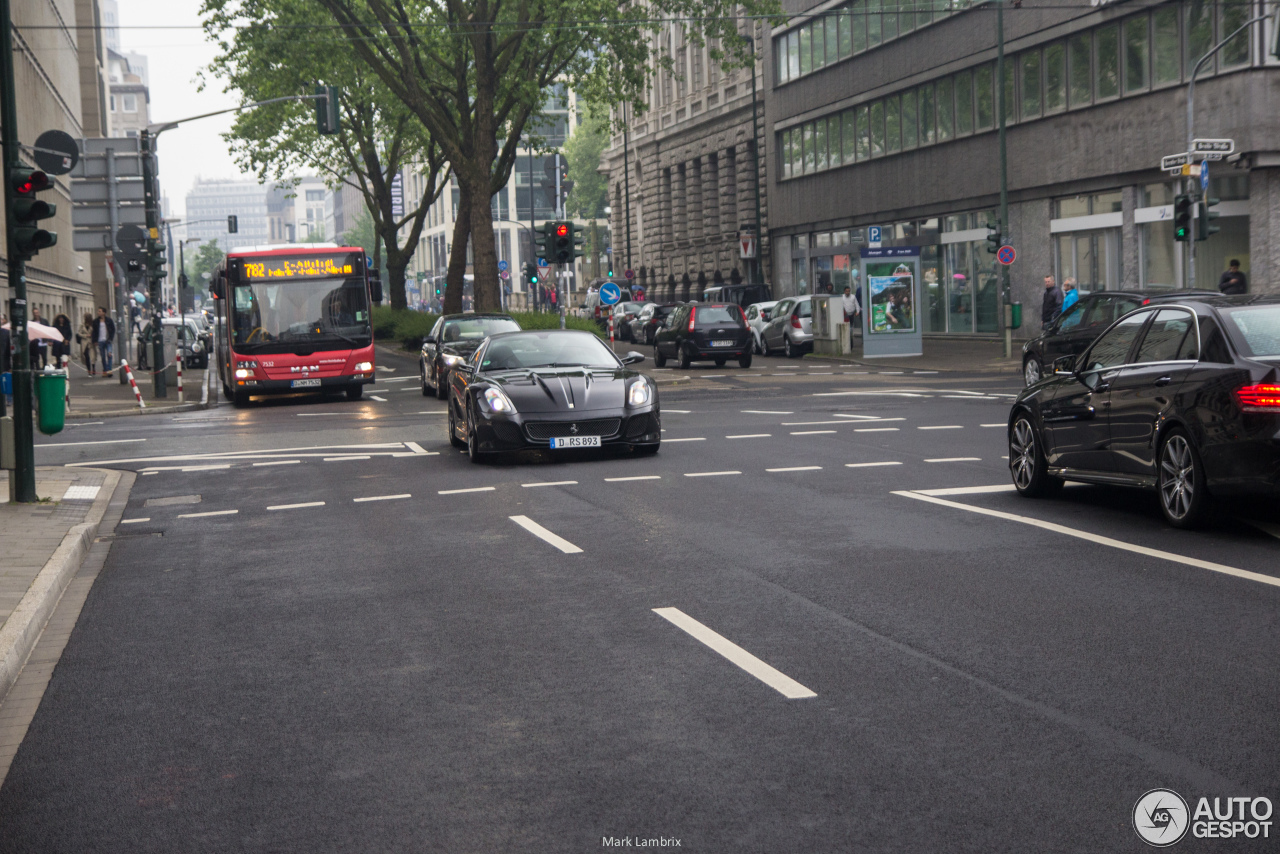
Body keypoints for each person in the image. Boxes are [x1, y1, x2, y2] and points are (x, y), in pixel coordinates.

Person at [93, 306, 115, 377]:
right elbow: (94, 332)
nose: (98, 312)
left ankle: (109, 370)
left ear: (104, 312)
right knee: (102, 357)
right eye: (98, 311)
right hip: (100, 341)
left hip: (107, 340)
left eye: (100, 311)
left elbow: (113, 329)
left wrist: (111, 338)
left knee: (109, 354)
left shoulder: (109, 320)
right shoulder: (96, 321)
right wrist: (95, 340)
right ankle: (105, 370)